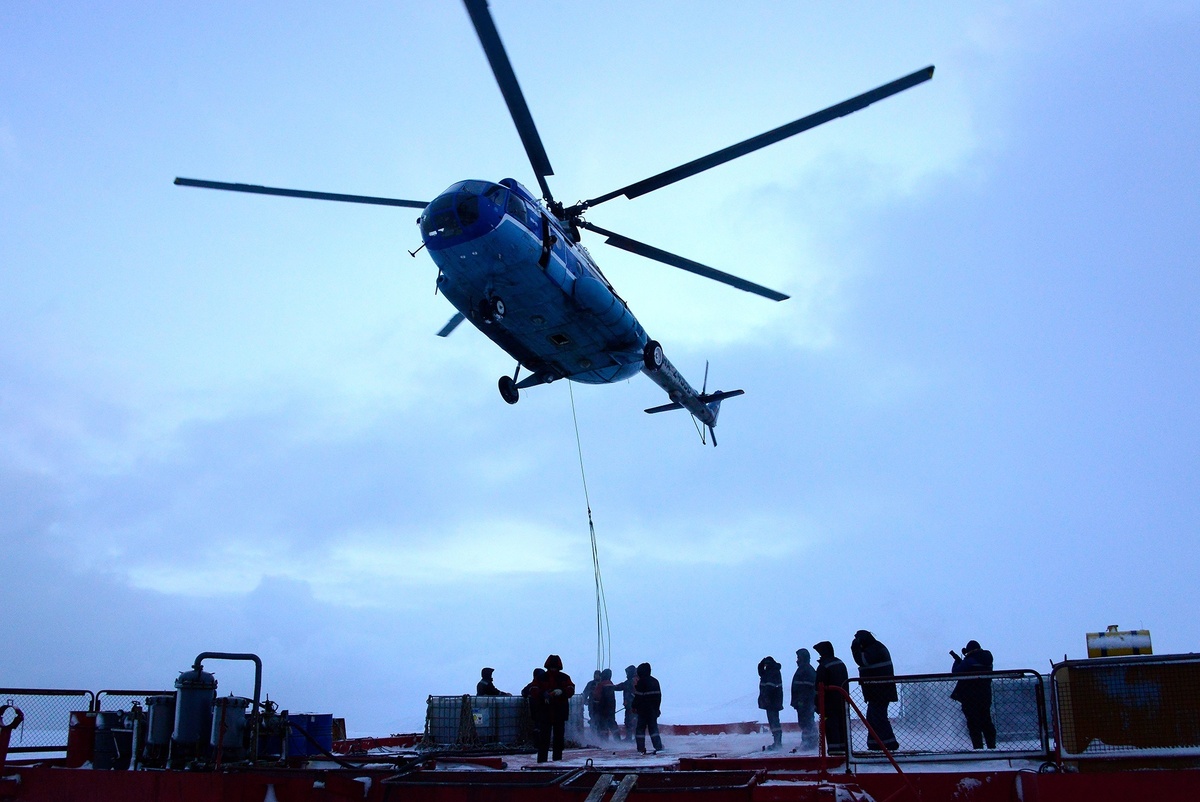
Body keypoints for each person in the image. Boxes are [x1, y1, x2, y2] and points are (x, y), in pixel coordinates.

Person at [850, 630, 899, 751]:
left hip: (880, 690)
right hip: (876, 690)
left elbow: (863, 661)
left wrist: (855, 649)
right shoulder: (875, 647)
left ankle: (890, 743)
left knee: (878, 717)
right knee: (872, 717)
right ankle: (875, 744)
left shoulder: (875, 648)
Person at [951, 640, 996, 749]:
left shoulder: (969, 661)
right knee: (986, 721)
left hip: (970, 697)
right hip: (985, 695)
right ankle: (991, 746)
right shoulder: (987, 659)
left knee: (973, 723)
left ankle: (978, 747)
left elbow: (955, 672)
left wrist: (958, 661)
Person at [531, 655, 575, 762]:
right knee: (544, 739)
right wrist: (543, 694)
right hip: (546, 713)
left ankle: (557, 760)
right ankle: (542, 761)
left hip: (558, 713)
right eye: (552, 667)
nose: (553, 669)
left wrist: (562, 692)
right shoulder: (541, 678)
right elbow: (533, 689)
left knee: (558, 739)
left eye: (555, 667)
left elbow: (571, 689)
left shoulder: (564, 677)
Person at [813, 641, 849, 754]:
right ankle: (844, 750)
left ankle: (834, 750)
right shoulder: (840, 663)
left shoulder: (823, 666)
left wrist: (817, 704)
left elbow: (819, 687)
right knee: (842, 725)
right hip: (843, 700)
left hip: (828, 703)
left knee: (831, 725)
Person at [632, 662, 664, 754]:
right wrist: (657, 709)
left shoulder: (642, 682)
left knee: (640, 729)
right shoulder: (655, 681)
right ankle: (658, 746)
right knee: (653, 729)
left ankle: (641, 748)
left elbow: (638, 697)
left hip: (643, 711)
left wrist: (634, 706)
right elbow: (659, 697)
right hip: (653, 710)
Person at [790, 648, 817, 749]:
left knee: (806, 722)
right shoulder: (805, 669)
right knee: (806, 722)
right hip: (804, 703)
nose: (797, 660)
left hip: (805, 703)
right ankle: (809, 742)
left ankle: (809, 743)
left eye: (798, 657)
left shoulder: (805, 670)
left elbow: (805, 689)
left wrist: (801, 701)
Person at [758, 656, 785, 750]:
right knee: (773, 722)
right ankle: (777, 742)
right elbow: (760, 672)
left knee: (774, 722)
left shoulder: (771, 672)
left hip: (772, 702)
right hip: (772, 702)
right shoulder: (769, 671)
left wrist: (766, 699)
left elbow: (770, 688)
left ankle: (778, 743)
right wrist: (761, 663)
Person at [521, 668, 548, 748]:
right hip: (543, 711)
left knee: (537, 727)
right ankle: (541, 745)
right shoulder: (543, 686)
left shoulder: (531, 685)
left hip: (534, 711)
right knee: (541, 728)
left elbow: (523, 692)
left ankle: (537, 744)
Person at [615, 665, 638, 740]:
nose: (626, 675)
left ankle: (629, 737)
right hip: (637, 705)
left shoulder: (629, 682)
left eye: (627, 673)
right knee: (635, 722)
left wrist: (610, 687)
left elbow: (620, 686)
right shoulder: (637, 680)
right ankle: (636, 737)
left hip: (630, 706)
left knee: (629, 722)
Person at [594, 668, 617, 741]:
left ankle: (604, 740)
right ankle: (617, 739)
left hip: (602, 708)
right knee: (612, 723)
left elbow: (597, 696)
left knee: (603, 725)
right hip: (611, 708)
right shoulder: (611, 684)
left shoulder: (601, 685)